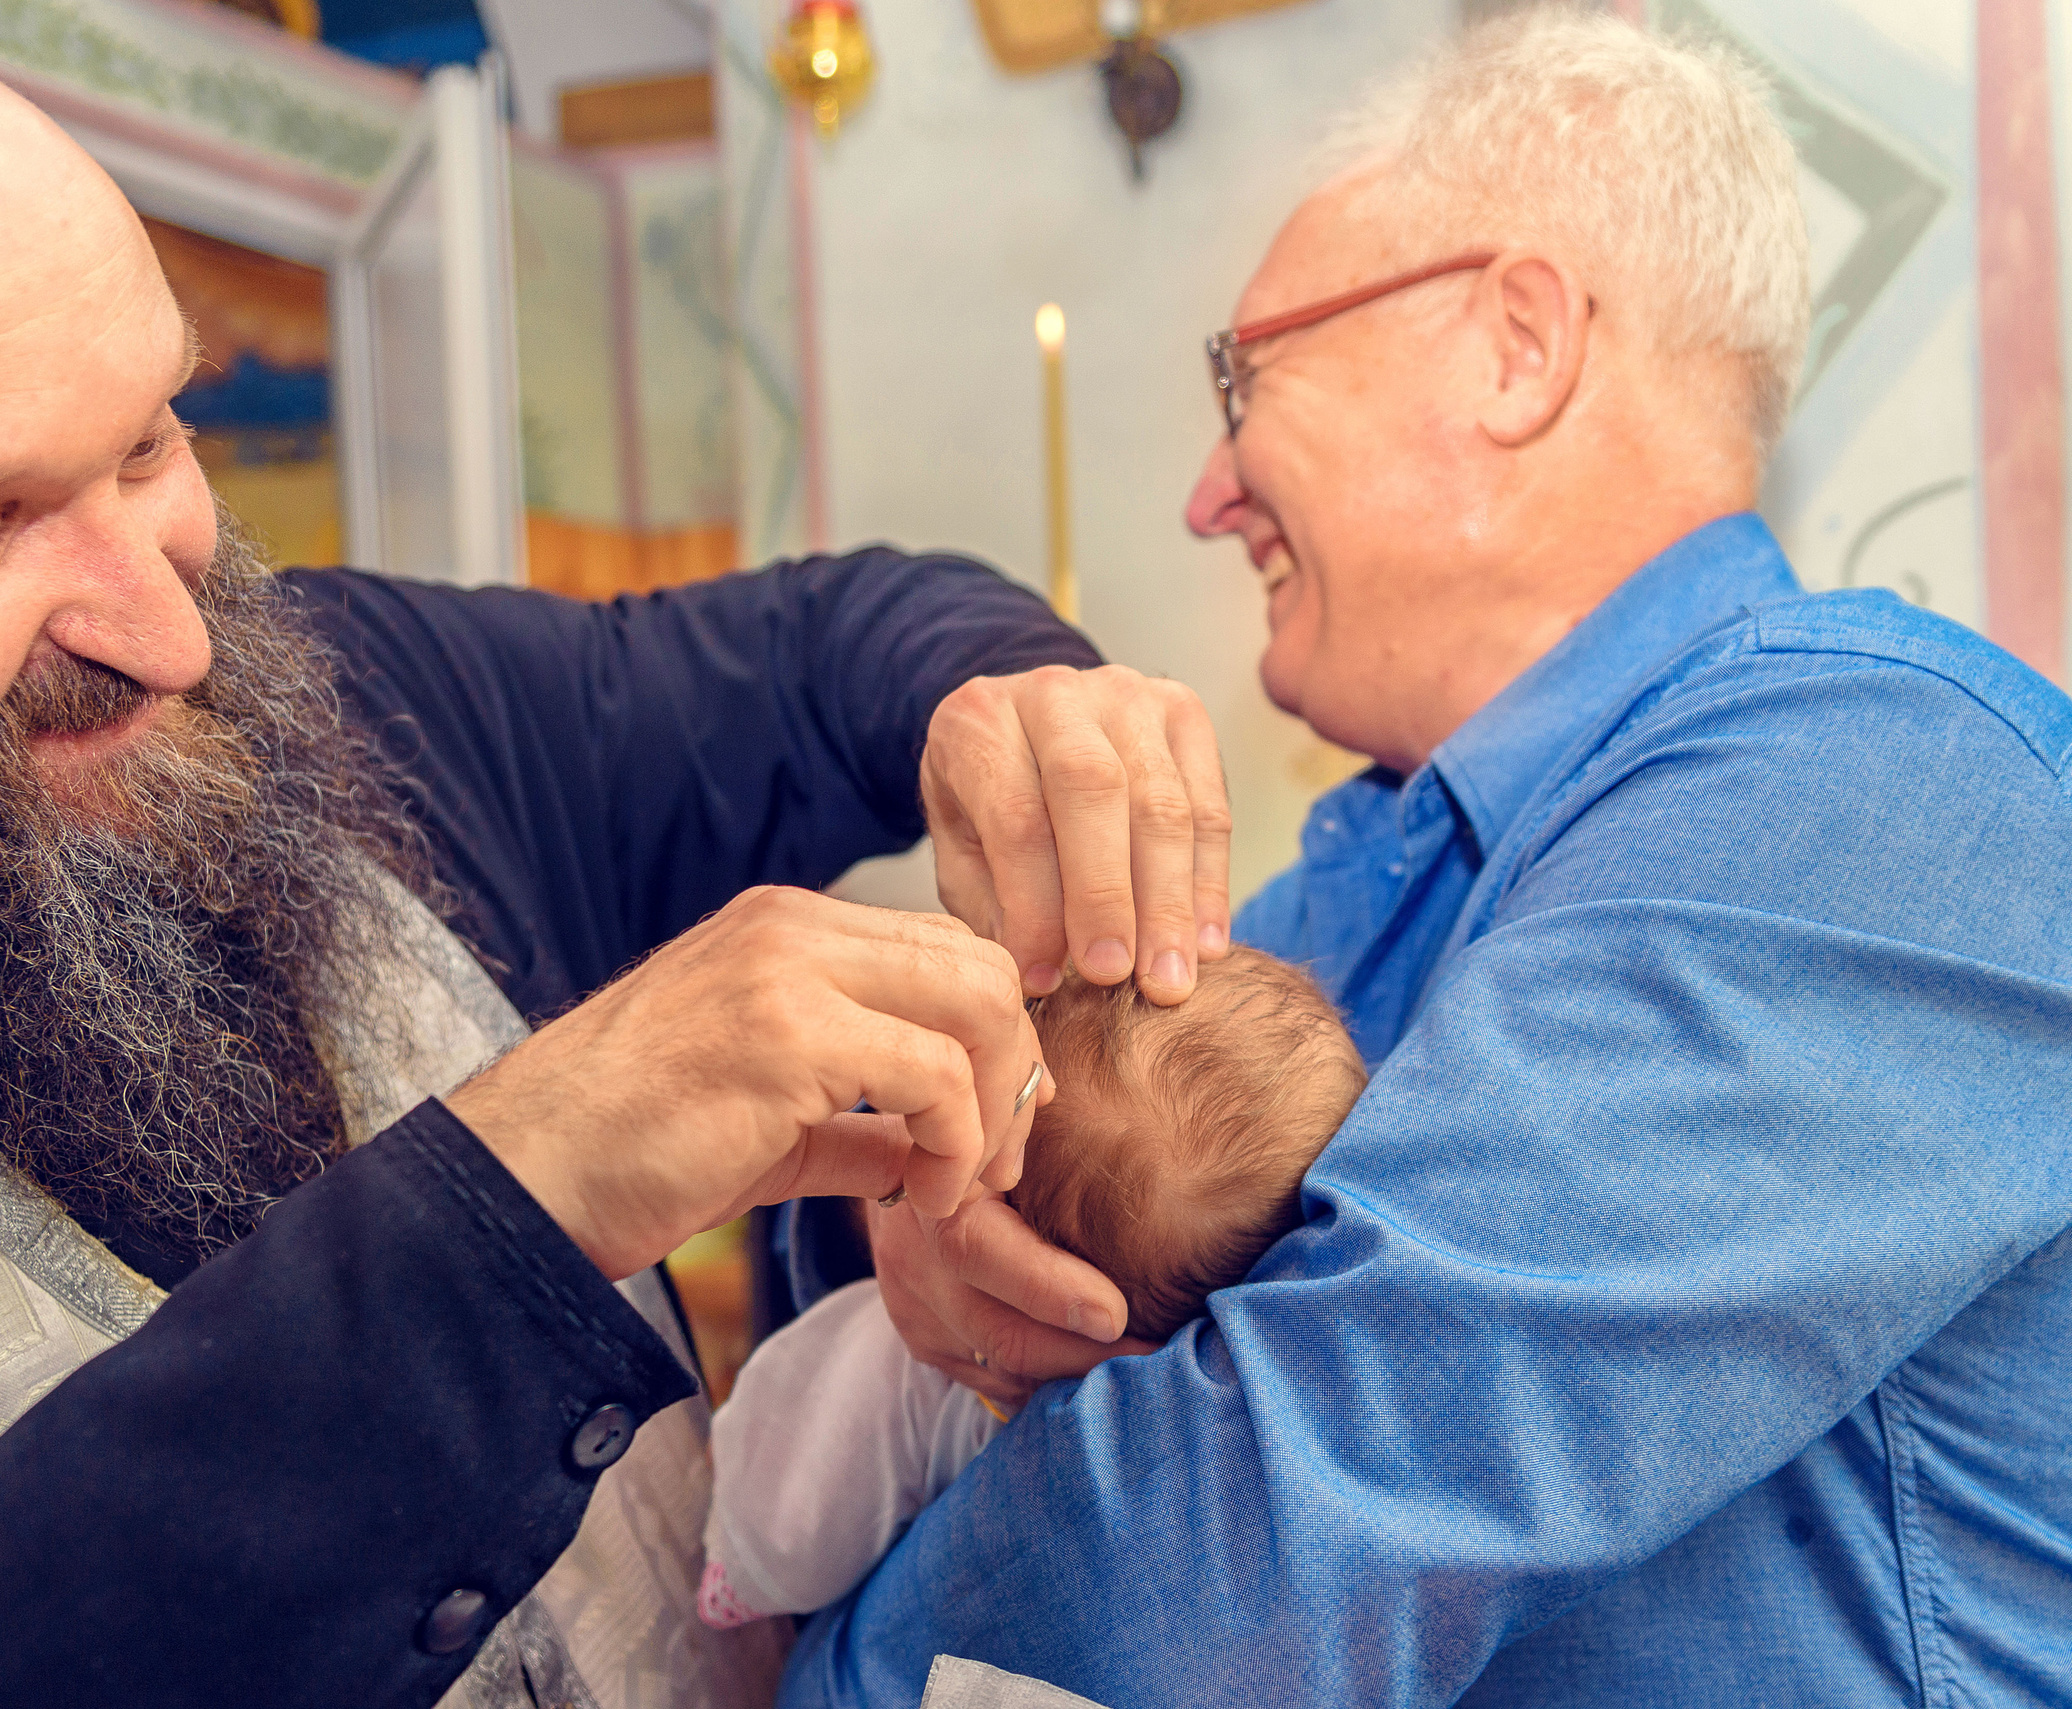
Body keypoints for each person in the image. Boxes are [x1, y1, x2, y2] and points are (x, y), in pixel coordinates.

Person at [0, 4, 1231, 1706]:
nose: (171, 633)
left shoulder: (360, 685)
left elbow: (843, 643)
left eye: (147, 443)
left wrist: (1018, 715)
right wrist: (513, 1196)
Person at [802, 11, 2072, 1706]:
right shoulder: (1355, 879)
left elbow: (1255, 1528)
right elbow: (1010, 1306)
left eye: (1240, 378)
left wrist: (791, 1657)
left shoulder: (1881, 775)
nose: (1206, 490)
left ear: (1517, 343)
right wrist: (927, 1239)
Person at [698, 952, 1364, 1629]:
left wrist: (735, 1574)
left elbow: (778, 1526)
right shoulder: (1195, 1486)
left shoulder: (894, 1365)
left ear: (1008, 1239)